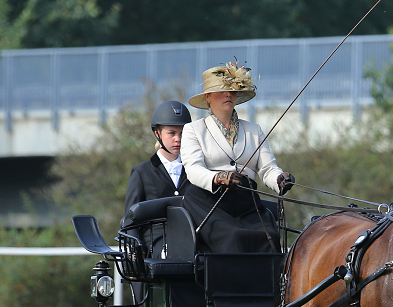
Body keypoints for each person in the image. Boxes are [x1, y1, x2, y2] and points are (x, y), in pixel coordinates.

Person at [181, 61, 294, 253]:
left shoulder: (254, 130)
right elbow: (192, 169)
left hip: (246, 201)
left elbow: (267, 169)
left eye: (232, 91)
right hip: (209, 202)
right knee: (233, 239)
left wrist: (279, 179)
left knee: (271, 239)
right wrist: (218, 177)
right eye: (222, 90)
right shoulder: (193, 130)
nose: (228, 95)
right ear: (207, 97)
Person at [124, 100, 192, 256]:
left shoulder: (194, 170)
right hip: (155, 245)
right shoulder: (141, 172)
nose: (178, 139)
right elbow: (131, 219)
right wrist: (136, 251)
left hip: (190, 239)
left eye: (182, 133)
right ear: (157, 134)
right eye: (172, 133)